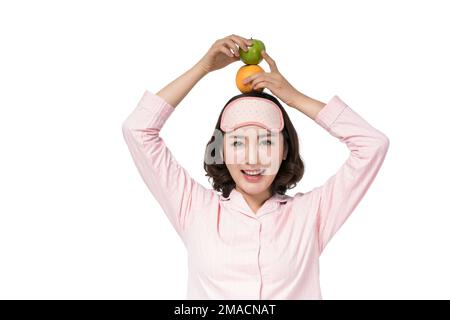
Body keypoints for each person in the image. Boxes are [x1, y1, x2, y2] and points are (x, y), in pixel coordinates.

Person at [122, 34, 390, 299]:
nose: (252, 159)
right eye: (237, 143)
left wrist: (293, 97)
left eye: (266, 142)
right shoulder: (194, 208)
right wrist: (203, 68)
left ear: (285, 149)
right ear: (220, 150)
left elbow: (372, 145)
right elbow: (138, 129)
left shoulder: (311, 214)